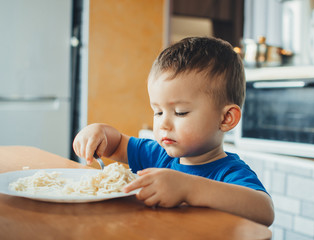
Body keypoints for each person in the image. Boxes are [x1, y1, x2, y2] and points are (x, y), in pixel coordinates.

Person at [73, 37, 274, 226]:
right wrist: (99, 132)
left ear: (225, 118)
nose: (163, 125)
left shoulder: (228, 173)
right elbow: (117, 145)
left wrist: (189, 188)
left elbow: (264, 211)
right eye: (158, 112)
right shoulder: (158, 155)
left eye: (180, 112)